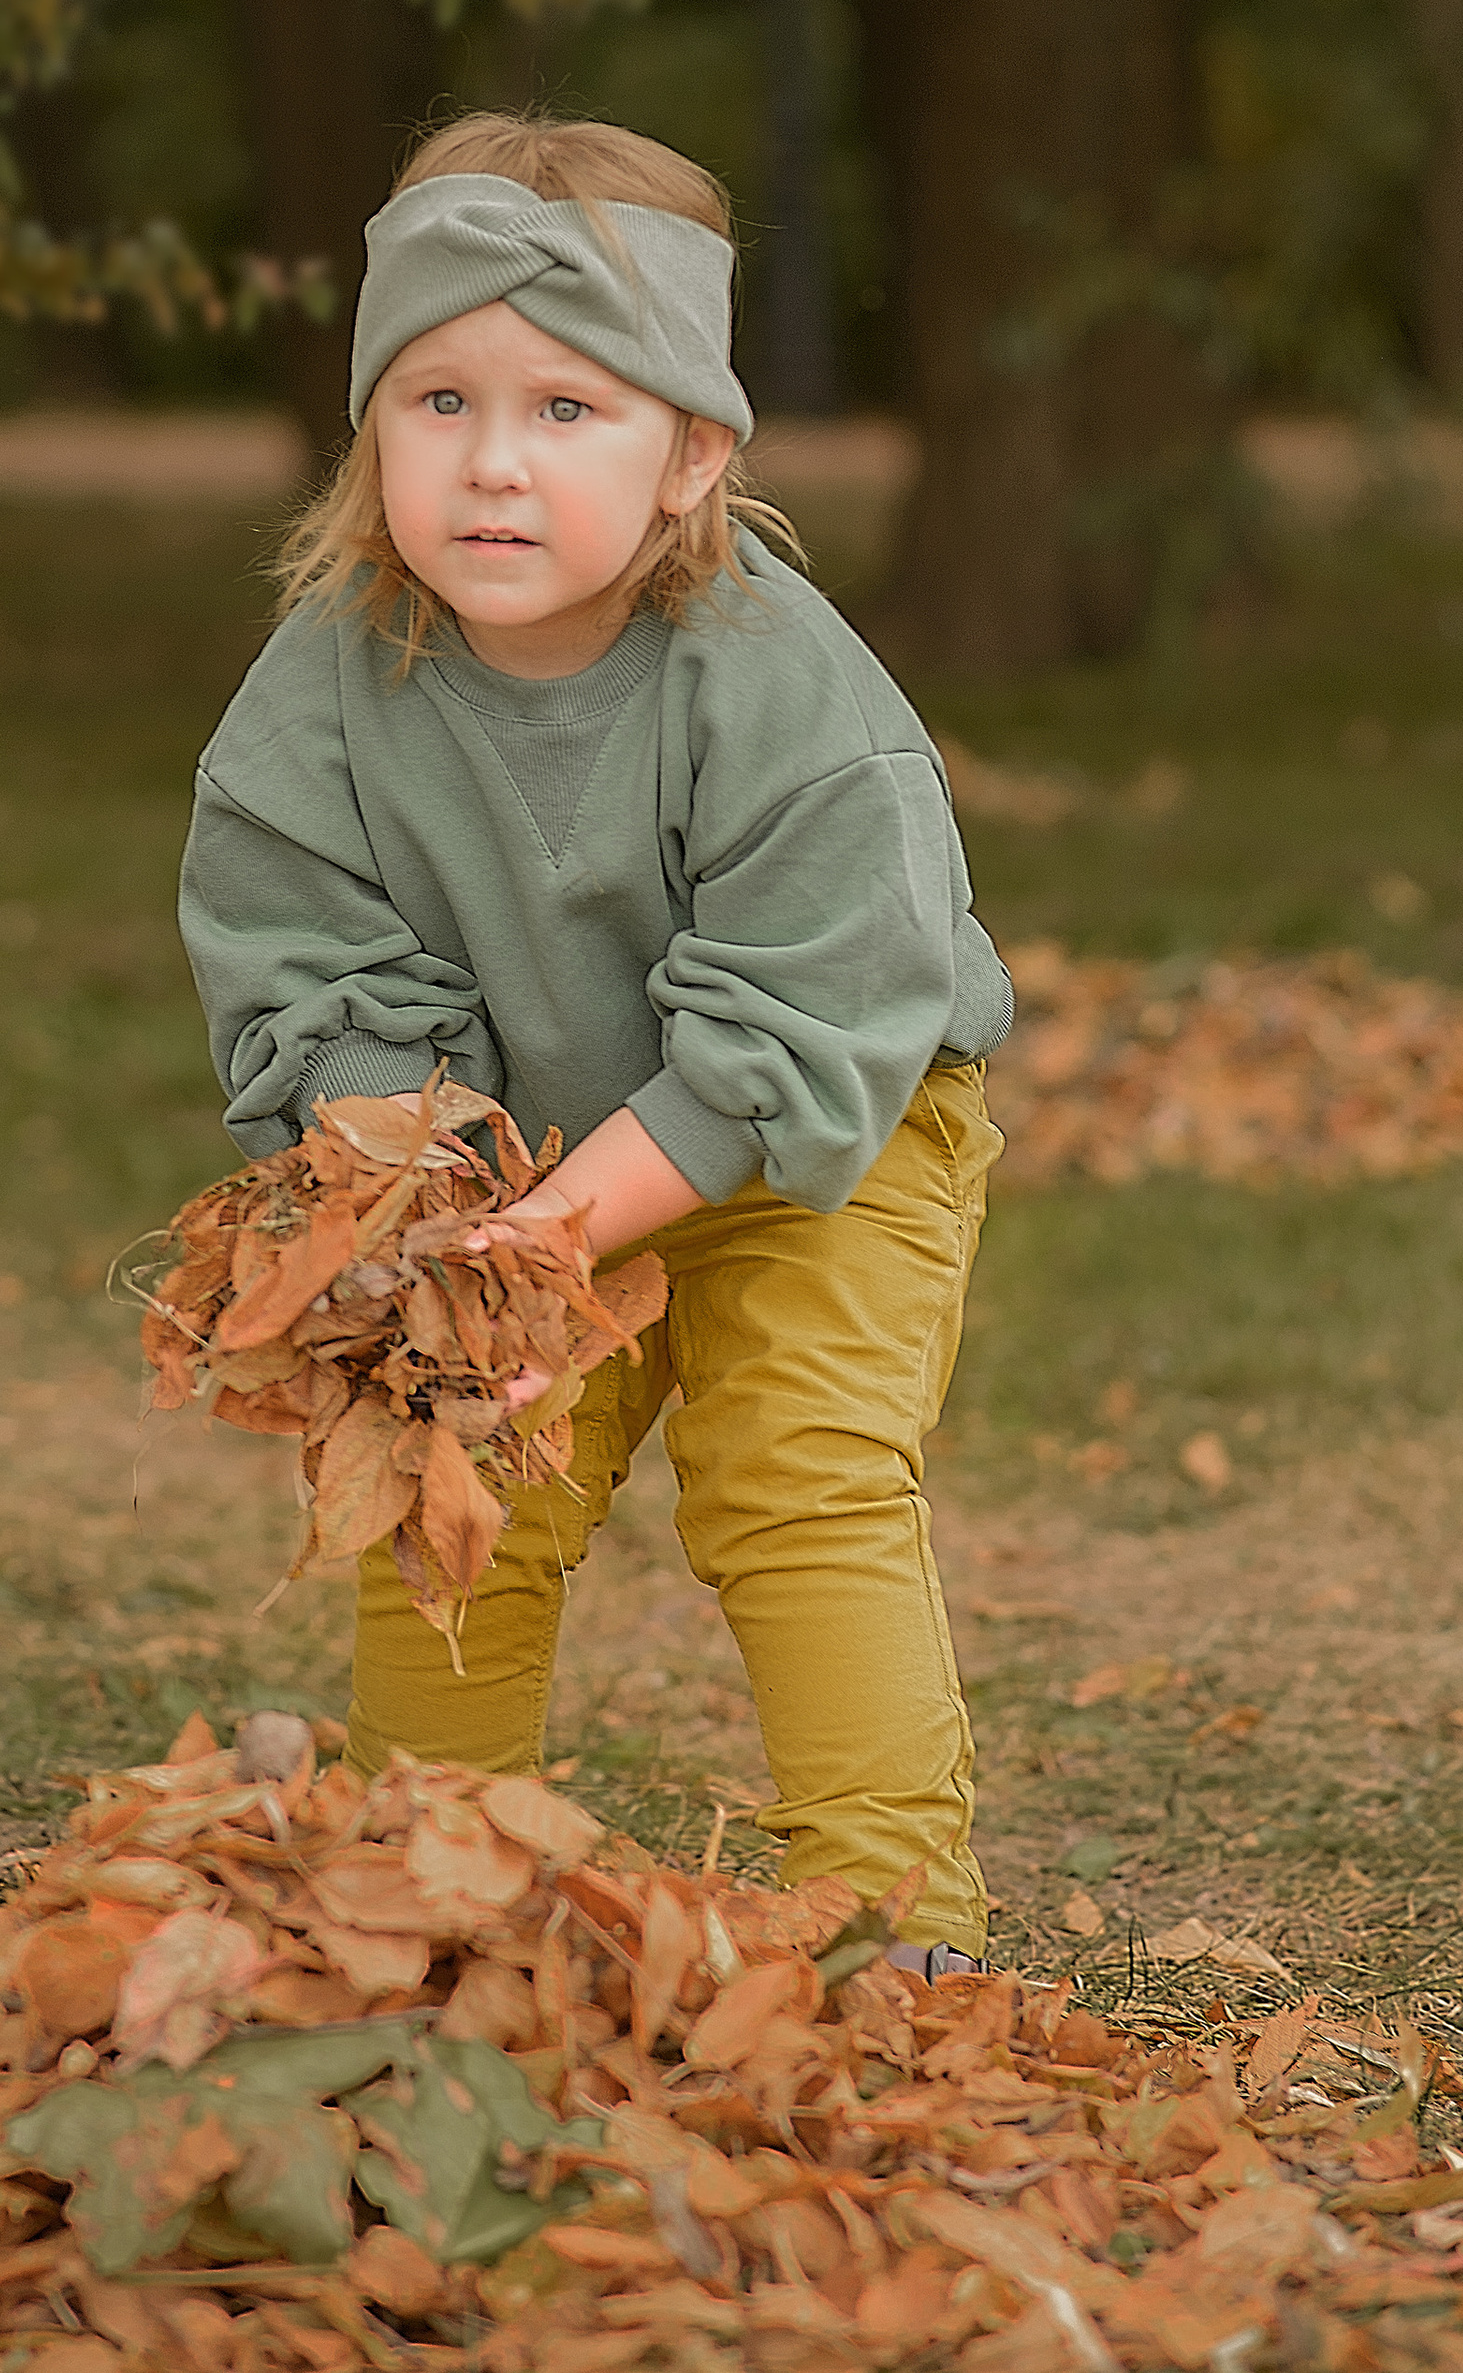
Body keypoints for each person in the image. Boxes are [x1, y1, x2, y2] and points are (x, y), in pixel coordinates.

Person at [177, 111, 1013, 1967]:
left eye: (568, 408)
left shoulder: (781, 686)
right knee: (457, 1483)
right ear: (370, 424)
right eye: (439, 401)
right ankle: (424, 1886)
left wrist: (568, 1233)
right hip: (505, 1163)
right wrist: (446, 1234)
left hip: (823, 1134)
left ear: (689, 447)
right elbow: (316, 966)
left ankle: (893, 1923)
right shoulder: (323, 688)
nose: (493, 462)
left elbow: (796, 1012)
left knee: (795, 1476)